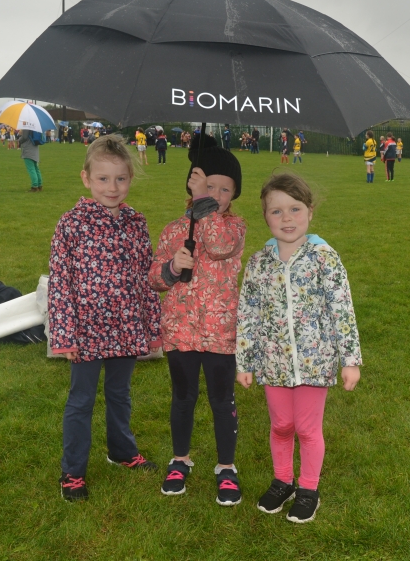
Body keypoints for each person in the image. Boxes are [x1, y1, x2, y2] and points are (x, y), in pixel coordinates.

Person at [236, 172, 362, 524]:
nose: (286, 218)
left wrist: (350, 360)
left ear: (310, 212)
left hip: (314, 362)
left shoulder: (324, 258)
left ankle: (308, 489)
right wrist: (244, 361)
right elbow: (247, 313)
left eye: (295, 209)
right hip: (273, 362)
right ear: (265, 216)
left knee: (306, 429)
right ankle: (282, 481)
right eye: (276, 211)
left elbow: (342, 309)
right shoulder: (259, 263)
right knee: (281, 425)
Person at [49, 134, 161, 502]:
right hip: (86, 331)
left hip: (126, 328)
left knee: (120, 393)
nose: (112, 187)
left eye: (120, 179)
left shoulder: (136, 223)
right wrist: (64, 335)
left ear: (130, 178)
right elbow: (60, 283)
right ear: (86, 178)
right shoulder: (71, 224)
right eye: (103, 178)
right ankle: (73, 472)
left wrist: (150, 327)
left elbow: (145, 278)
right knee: (81, 400)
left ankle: (122, 451)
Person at [149, 133, 245, 507]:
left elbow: (219, 246)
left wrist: (204, 203)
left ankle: (226, 466)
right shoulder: (174, 230)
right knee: (183, 397)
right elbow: (154, 279)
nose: (216, 195)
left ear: (233, 195)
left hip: (220, 333)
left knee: (222, 400)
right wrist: (173, 267)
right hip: (181, 330)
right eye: (208, 186)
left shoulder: (234, 228)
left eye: (224, 189)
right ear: (190, 184)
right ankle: (180, 459)